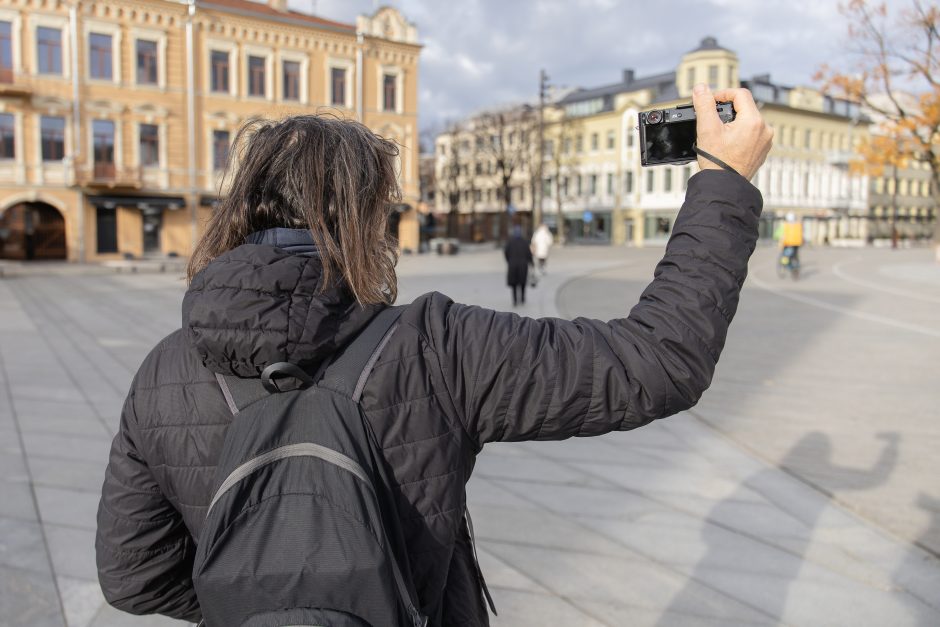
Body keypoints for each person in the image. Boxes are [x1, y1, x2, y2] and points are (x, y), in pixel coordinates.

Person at [96, 83, 773, 626]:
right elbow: (654, 360)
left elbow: (133, 573)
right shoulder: (438, 346)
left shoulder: (164, 370)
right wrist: (723, 183)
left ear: (241, 210)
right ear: (366, 221)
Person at [504, 225, 533, 306]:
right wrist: (531, 262)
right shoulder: (524, 242)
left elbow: (506, 253)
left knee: (514, 284)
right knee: (522, 283)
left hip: (512, 265)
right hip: (523, 266)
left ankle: (515, 300)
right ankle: (522, 299)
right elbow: (529, 254)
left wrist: (509, 261)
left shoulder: (510, 242)